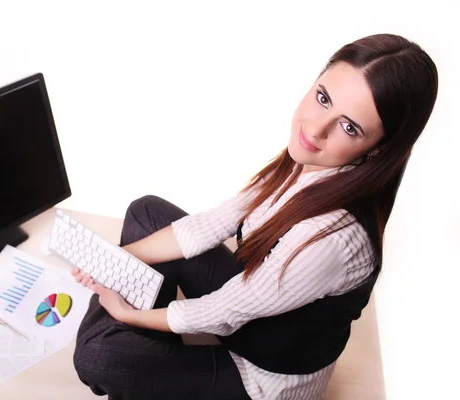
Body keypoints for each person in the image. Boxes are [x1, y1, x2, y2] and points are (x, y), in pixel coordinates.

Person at [70, 33, 439, 400]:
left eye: (349, 127)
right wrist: (112, 259)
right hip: (255, 313)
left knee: (96, 354)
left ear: (378, 148)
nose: (315, 128)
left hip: (266, 377)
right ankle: (142, 354)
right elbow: (214, 222)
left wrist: (127, 314)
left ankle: (135, 349)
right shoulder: (307, 160)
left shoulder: (333, 238)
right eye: (323, 98)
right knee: (145, 212)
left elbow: (225, 310)